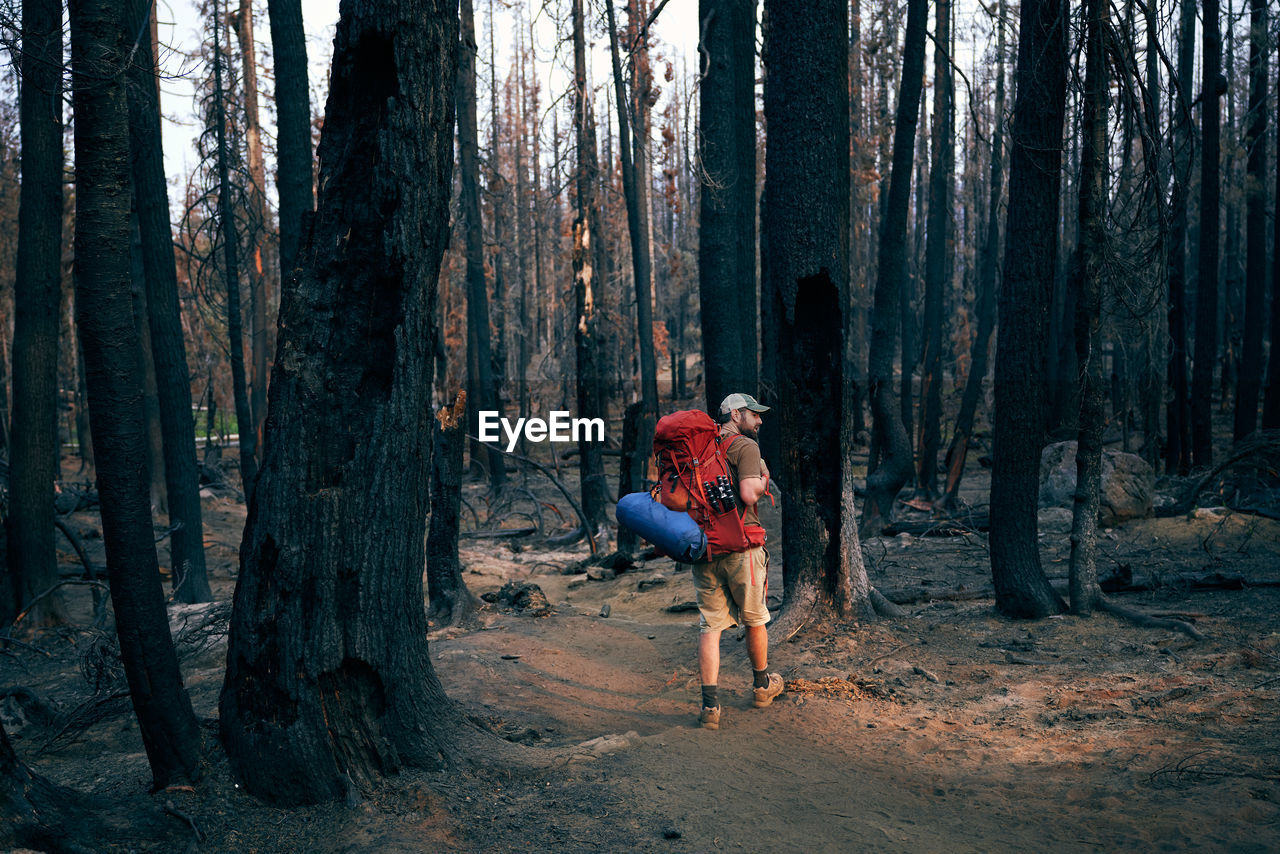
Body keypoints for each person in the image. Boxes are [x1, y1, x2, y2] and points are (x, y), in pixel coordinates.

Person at [694, 392, 783, 730]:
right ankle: (762, 688)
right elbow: (748, 494)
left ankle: (710, 709)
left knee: (710, 627)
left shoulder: (701, 446)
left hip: (703, 548)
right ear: (735, 413)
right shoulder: (745, 447)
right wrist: (763, 480)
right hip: (741, 546)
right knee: (755, 618)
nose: (759, 420)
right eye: (753, 414)